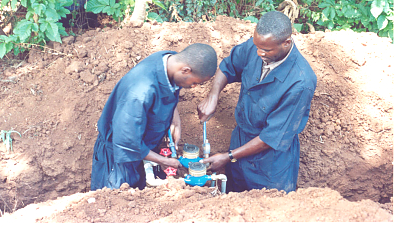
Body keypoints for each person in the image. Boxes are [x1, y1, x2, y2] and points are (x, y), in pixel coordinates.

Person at [197, 11, 317, 193]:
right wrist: (212, 97)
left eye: (267, 50)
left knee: (267, 212)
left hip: (270, 164)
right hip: (239, 142)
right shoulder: (258, 47)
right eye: (257, 47)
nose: (260, 53)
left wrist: (228, 157)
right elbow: (228, 67)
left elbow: (271, 137)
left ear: (286, 43)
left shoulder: (301, 82)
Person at [91, 43, 217, 191]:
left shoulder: (168, 61)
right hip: (117, 161)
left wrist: (174, 115)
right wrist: (163, 160)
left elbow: (169, 87)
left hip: (141, 152)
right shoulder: (139, 93)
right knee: (117, 205)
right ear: (185, 70)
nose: (194, 86)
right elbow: (127, 142)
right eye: (195, 82)